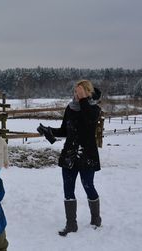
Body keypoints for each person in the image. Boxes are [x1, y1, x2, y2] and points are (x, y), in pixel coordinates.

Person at [37, 79, 102, 236]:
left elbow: (89, 119)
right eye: (75, 91)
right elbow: (65, 130)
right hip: (69, 155)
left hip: (87, 155)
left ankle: (96, 218)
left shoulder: (94, 109)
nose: (76, 94)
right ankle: (71, 224)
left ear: (88, 92)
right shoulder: (70, 108)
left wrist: (84, 99)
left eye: (79, 92)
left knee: (88, 186)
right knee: (68, 188)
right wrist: (49, 131)